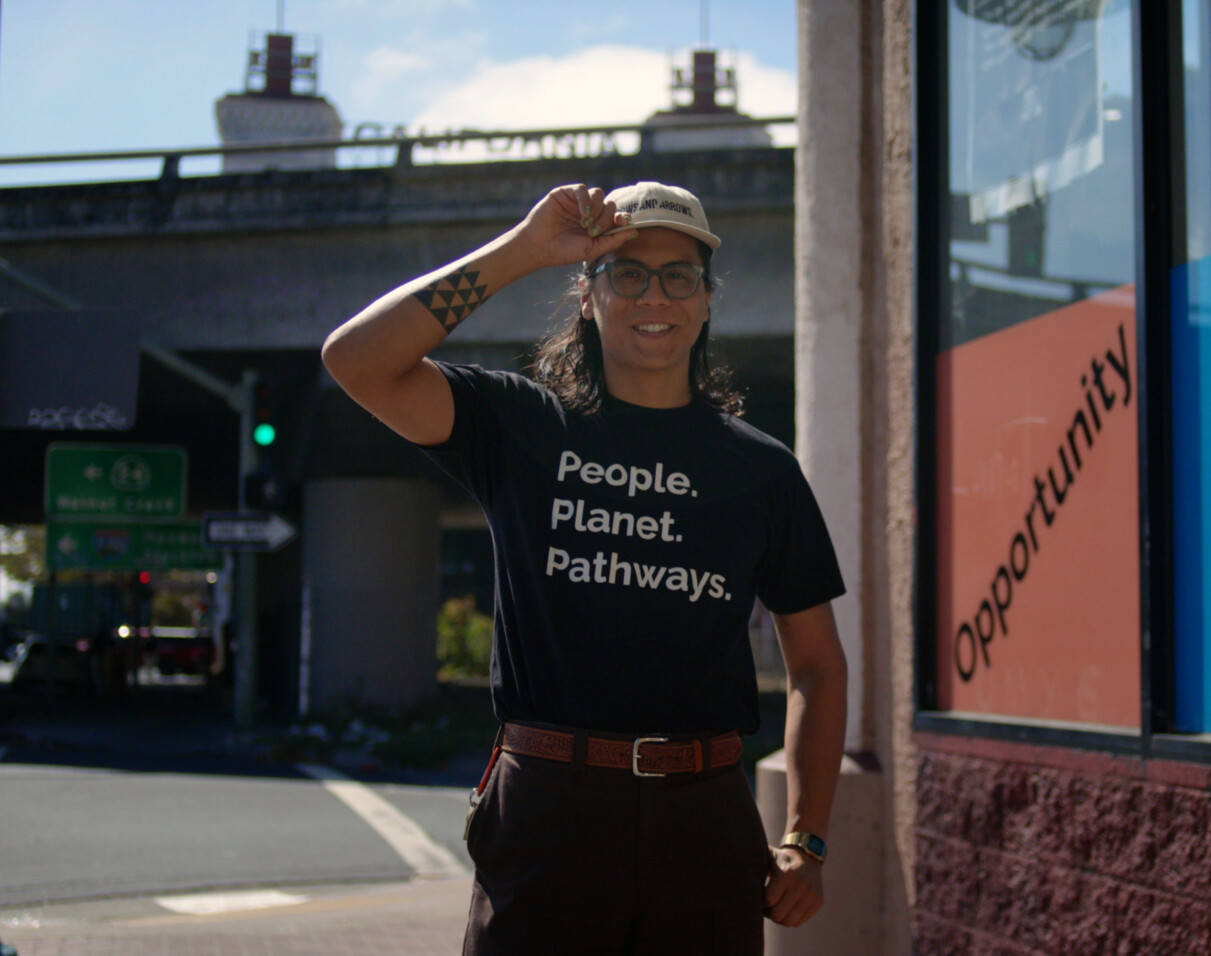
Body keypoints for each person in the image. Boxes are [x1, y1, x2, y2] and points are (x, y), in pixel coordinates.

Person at [321, 181, 848, 955]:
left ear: (706, 301)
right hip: (547, 811)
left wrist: (806, 836)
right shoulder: (520, 427)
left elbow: (819, 668)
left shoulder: (762, 470)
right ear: (587, 295)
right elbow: (357, 361)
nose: (654, 295)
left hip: (704, 822)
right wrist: (521, 250)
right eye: (627, 273)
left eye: (679, 275)